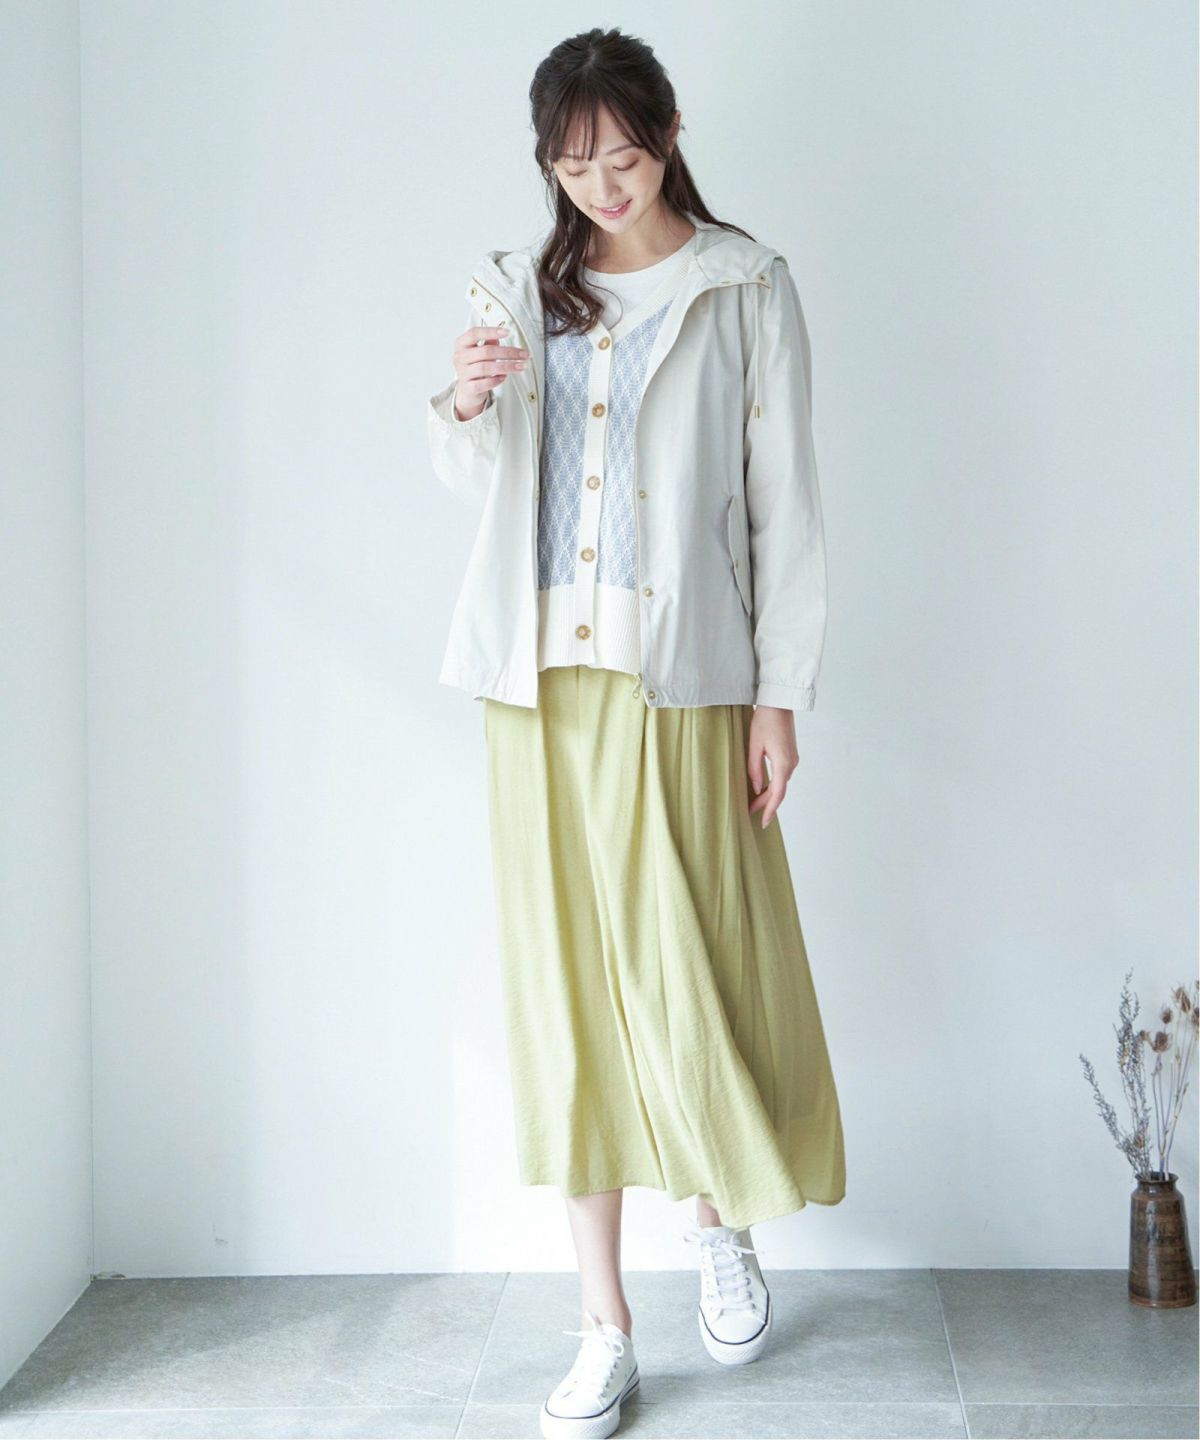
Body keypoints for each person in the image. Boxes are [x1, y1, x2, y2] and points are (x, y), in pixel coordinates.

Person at [426, 26, 846, 1440]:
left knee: (691, 965)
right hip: (537, 688)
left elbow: (785, 506)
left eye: (621, 153)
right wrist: (465, 400)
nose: (601, 184)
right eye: (572, 164)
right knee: (567, 995)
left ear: (668, 133)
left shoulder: (744, 286)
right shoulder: (518, 287)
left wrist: (779, 694)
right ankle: (602, 1321)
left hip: (686, 680)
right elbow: (480, 475)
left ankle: (718, 1218)